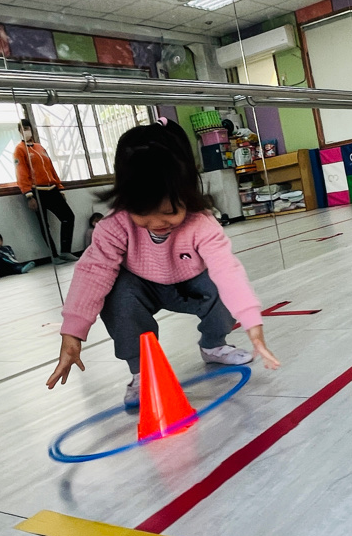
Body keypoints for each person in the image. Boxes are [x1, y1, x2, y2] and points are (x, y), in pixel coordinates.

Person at [46, 118, 280, 408]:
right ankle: (142, 371)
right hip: (140, 287)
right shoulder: (113, 227)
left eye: (169, 211)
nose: (157, 222)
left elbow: (227, 270)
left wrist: (252, 322)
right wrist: (72, 333)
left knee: (220, 284)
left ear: (187, 193)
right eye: (143, 212)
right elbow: (91, 276)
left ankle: (213, 345)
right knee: (116, 292)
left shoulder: (201, 223)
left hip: (192, 284)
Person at [14, 119, 77, 263]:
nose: (26, 131)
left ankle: (66, 251)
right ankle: (54, 256)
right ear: (20, 131)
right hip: (37, 192)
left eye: (28, 128)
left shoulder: (40, 147)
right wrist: (29, 196)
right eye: (23, 129)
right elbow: (21, 173)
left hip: (52, 189)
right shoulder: (19, 149)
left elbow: (51, 168)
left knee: (68, 217)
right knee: (44, 224)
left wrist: (60, 187)